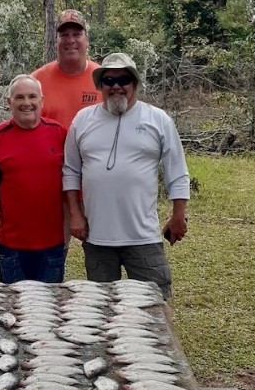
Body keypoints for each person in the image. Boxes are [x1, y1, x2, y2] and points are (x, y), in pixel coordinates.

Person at [62, 51, 190, 298]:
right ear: (100, 85)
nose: (117, 86)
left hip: (143, 237)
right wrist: (75, 215)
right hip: (97, 237)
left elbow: (177, 171)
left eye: (124, 80)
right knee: (101, 311)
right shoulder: (82, 120)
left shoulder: (158, 119)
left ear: (135, 84)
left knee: (154, 305)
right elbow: (70, 170)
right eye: (109, 81)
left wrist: (178, 217)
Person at [0, 74, 67, 283]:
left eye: (32, 97)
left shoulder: (59, 133)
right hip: (12, 245)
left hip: (52, 244)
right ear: (9, 103)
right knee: (13, 308)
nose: (27, 103)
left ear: (42, 101)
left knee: (49, 308)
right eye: (19, 98)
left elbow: (72, 182)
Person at [31, 9, 99, 130]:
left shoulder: (104, 78)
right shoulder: (35, 81)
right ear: (56, 41)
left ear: (87, 40)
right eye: (64, 35)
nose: (70, 40)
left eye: (77, 34)